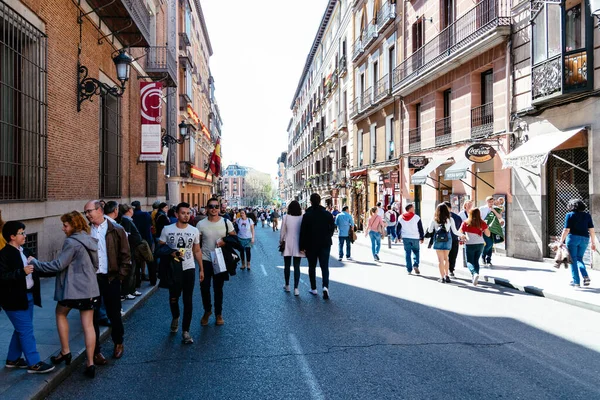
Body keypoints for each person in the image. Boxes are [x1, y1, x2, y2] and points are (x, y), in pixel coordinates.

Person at [29, 211, 100, 378]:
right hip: (90, 288)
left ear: (74, 225)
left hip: (73, 290)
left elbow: (58, 265)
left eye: (65, 225)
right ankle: (90, 363)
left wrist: (35, 263)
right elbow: (96, 265)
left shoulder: (71, 242)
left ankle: (65, 351)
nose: (63, 228)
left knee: (60, 313)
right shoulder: (89, 239)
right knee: (88, 325)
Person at [0, 221, 55, 374]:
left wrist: (57, 270)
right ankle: (34, 362)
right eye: (21, 233)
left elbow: (37, 269)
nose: (24, 235)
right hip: (13, 299)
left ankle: (13, 359)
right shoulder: (4, 255)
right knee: (26, 330)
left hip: (28, 297)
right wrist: (21, 272)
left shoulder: (25, 251)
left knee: (21, 329)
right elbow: (2, 277)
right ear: (12, 236)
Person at [84, 200, 131, 363]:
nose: (88, 215)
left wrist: (120, 276)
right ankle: (96, 351)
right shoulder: (86, 231)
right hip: (93, 280)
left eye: (90, 211)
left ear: (100, 210)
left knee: (114, 313)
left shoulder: (116, 229)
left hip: (111, 278)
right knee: (93, 316)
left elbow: (126, 255)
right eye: (86, 212)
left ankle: (118, 342)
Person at [158, 202, 204, 344]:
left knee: (188, 300)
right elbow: (160, 247)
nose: (186, 215)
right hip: (173, 268)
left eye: (188, 213)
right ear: (177, 214)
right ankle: (176, 316)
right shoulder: (167, 229)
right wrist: (171, 252)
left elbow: (196, 250)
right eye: (183, 213)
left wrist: (201, 268)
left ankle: (185, 331)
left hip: (189, 268)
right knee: (173, 298)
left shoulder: (194, 231)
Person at [196, 198, 236, 326]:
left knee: (218, 288)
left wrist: (225, 241)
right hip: (206, 259)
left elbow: (234, 237)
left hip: (220, 259)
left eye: (216, 206)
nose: (214, 209)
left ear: (219, 208)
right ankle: (207, 311)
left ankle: (219, 314)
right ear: (207, 208)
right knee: (204, 287)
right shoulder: (201, 224)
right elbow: (197, 244)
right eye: (211, 206)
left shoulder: (226, 222)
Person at [300, 193, 335, 299]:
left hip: (311, 244)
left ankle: (314, 288)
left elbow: (303, 232)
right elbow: (332, 228)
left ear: (310, 201)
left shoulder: (307, 215)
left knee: (312, 266)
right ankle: (325, 286)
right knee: (325, 266)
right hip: (325, 243)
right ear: (320, 201)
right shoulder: (327, 214)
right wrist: (328, 236)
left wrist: (302, 245)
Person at [559, 199, 596, 287]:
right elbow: (591, 230)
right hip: (585, 239)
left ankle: (576, 282)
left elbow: (566, 230)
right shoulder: (587, 216)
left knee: (573, 260)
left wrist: (561, 241)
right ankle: (585, 276)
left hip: (572, 239)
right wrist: (593, 243)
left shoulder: (569, 215)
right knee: (579, 258)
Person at [427, 203, 463, 283]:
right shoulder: (450, 219)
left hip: (438, 239)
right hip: (448, 238)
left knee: (440, 260)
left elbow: (430, 230)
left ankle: (442, 277)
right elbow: (455, 231)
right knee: (446, 258)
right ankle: (447, 275)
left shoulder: (434, 219)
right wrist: (462, 235)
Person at [114, 203, 143, 298]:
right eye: (132, 209)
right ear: (129, 210)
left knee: (133, 271)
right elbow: (127, 236)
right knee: (130, 271)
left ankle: (131, 290)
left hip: (133, 248)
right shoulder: (126, 221)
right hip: (130, 249)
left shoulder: (128, 220)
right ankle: (126, 292)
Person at [458, 209, 490, 286]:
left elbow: (460, 232)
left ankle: (474, 274)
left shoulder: (466, 222)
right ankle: (475, 277)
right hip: (480, 244)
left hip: (470, 244)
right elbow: (488, 234)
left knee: (469, 261)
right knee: (476, 261)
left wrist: (463, 236)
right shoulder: (482, 223)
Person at [280, 200, 304, 295]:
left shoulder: (285, 217)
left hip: (287, 242)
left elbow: (282, 232)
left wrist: (281, 241)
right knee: (297, 266)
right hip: (298, 243)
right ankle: (296, 288)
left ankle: (287, 285)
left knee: (287, 265)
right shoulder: (302, 217)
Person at [397, 203, 424, 274]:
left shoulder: (400, 217)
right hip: (415, 237)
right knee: (416, 251)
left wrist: (398, 236)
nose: (414, 209)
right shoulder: (416, 217)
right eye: (413, 207)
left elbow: (398, 228)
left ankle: (409, 269)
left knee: (407, 253)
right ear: (410, 209)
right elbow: (420, 228)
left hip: (405, 237)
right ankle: (416, 264)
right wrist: (421, 237)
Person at [131, 201, 154, 284]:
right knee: (149, 260)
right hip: (146, 240)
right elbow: (150, 225)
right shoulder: (145, 215)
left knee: (136, 261)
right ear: (140, 206)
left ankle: (137, 281)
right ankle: (152, 279)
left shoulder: (131, 216)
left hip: (135, 241)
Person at [479, 196, 504, 267]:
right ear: (486, 202)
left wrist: (493, 210)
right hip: (485, 228)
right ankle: (483, 256)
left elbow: (499, 217)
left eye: (492, 201)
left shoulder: (495, 208)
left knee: (491, 244)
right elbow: (479, 218)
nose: (491, 203)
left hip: (493, 229)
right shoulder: (482, 209)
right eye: (489, 201)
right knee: (489, 243)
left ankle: (488, 260)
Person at [444, 201, 463, 278]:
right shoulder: (457, 217)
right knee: (453, 255)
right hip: (454, 238)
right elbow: (458, 229)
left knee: (447, 256)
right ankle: (450, 270)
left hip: (445, 239)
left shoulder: (440, 216)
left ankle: (448, 271)